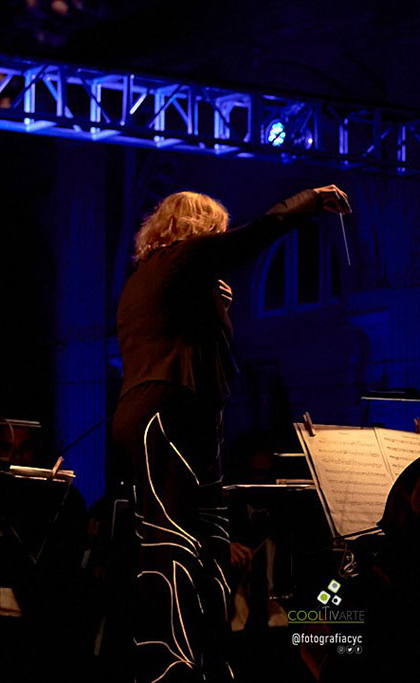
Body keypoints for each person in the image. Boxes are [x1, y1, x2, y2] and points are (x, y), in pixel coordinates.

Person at [110, 185, 350, 683]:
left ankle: (210, 659)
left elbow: (210, 353)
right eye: (214, 230)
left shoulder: (165, 280)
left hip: (184, 413)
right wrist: (309, 201)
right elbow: (256, 236)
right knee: (173, 539)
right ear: (197, 229)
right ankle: (171, 664)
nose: (220, 239)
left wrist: (213, 304)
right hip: (166, 411)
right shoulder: (179, 259)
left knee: (210, 541)